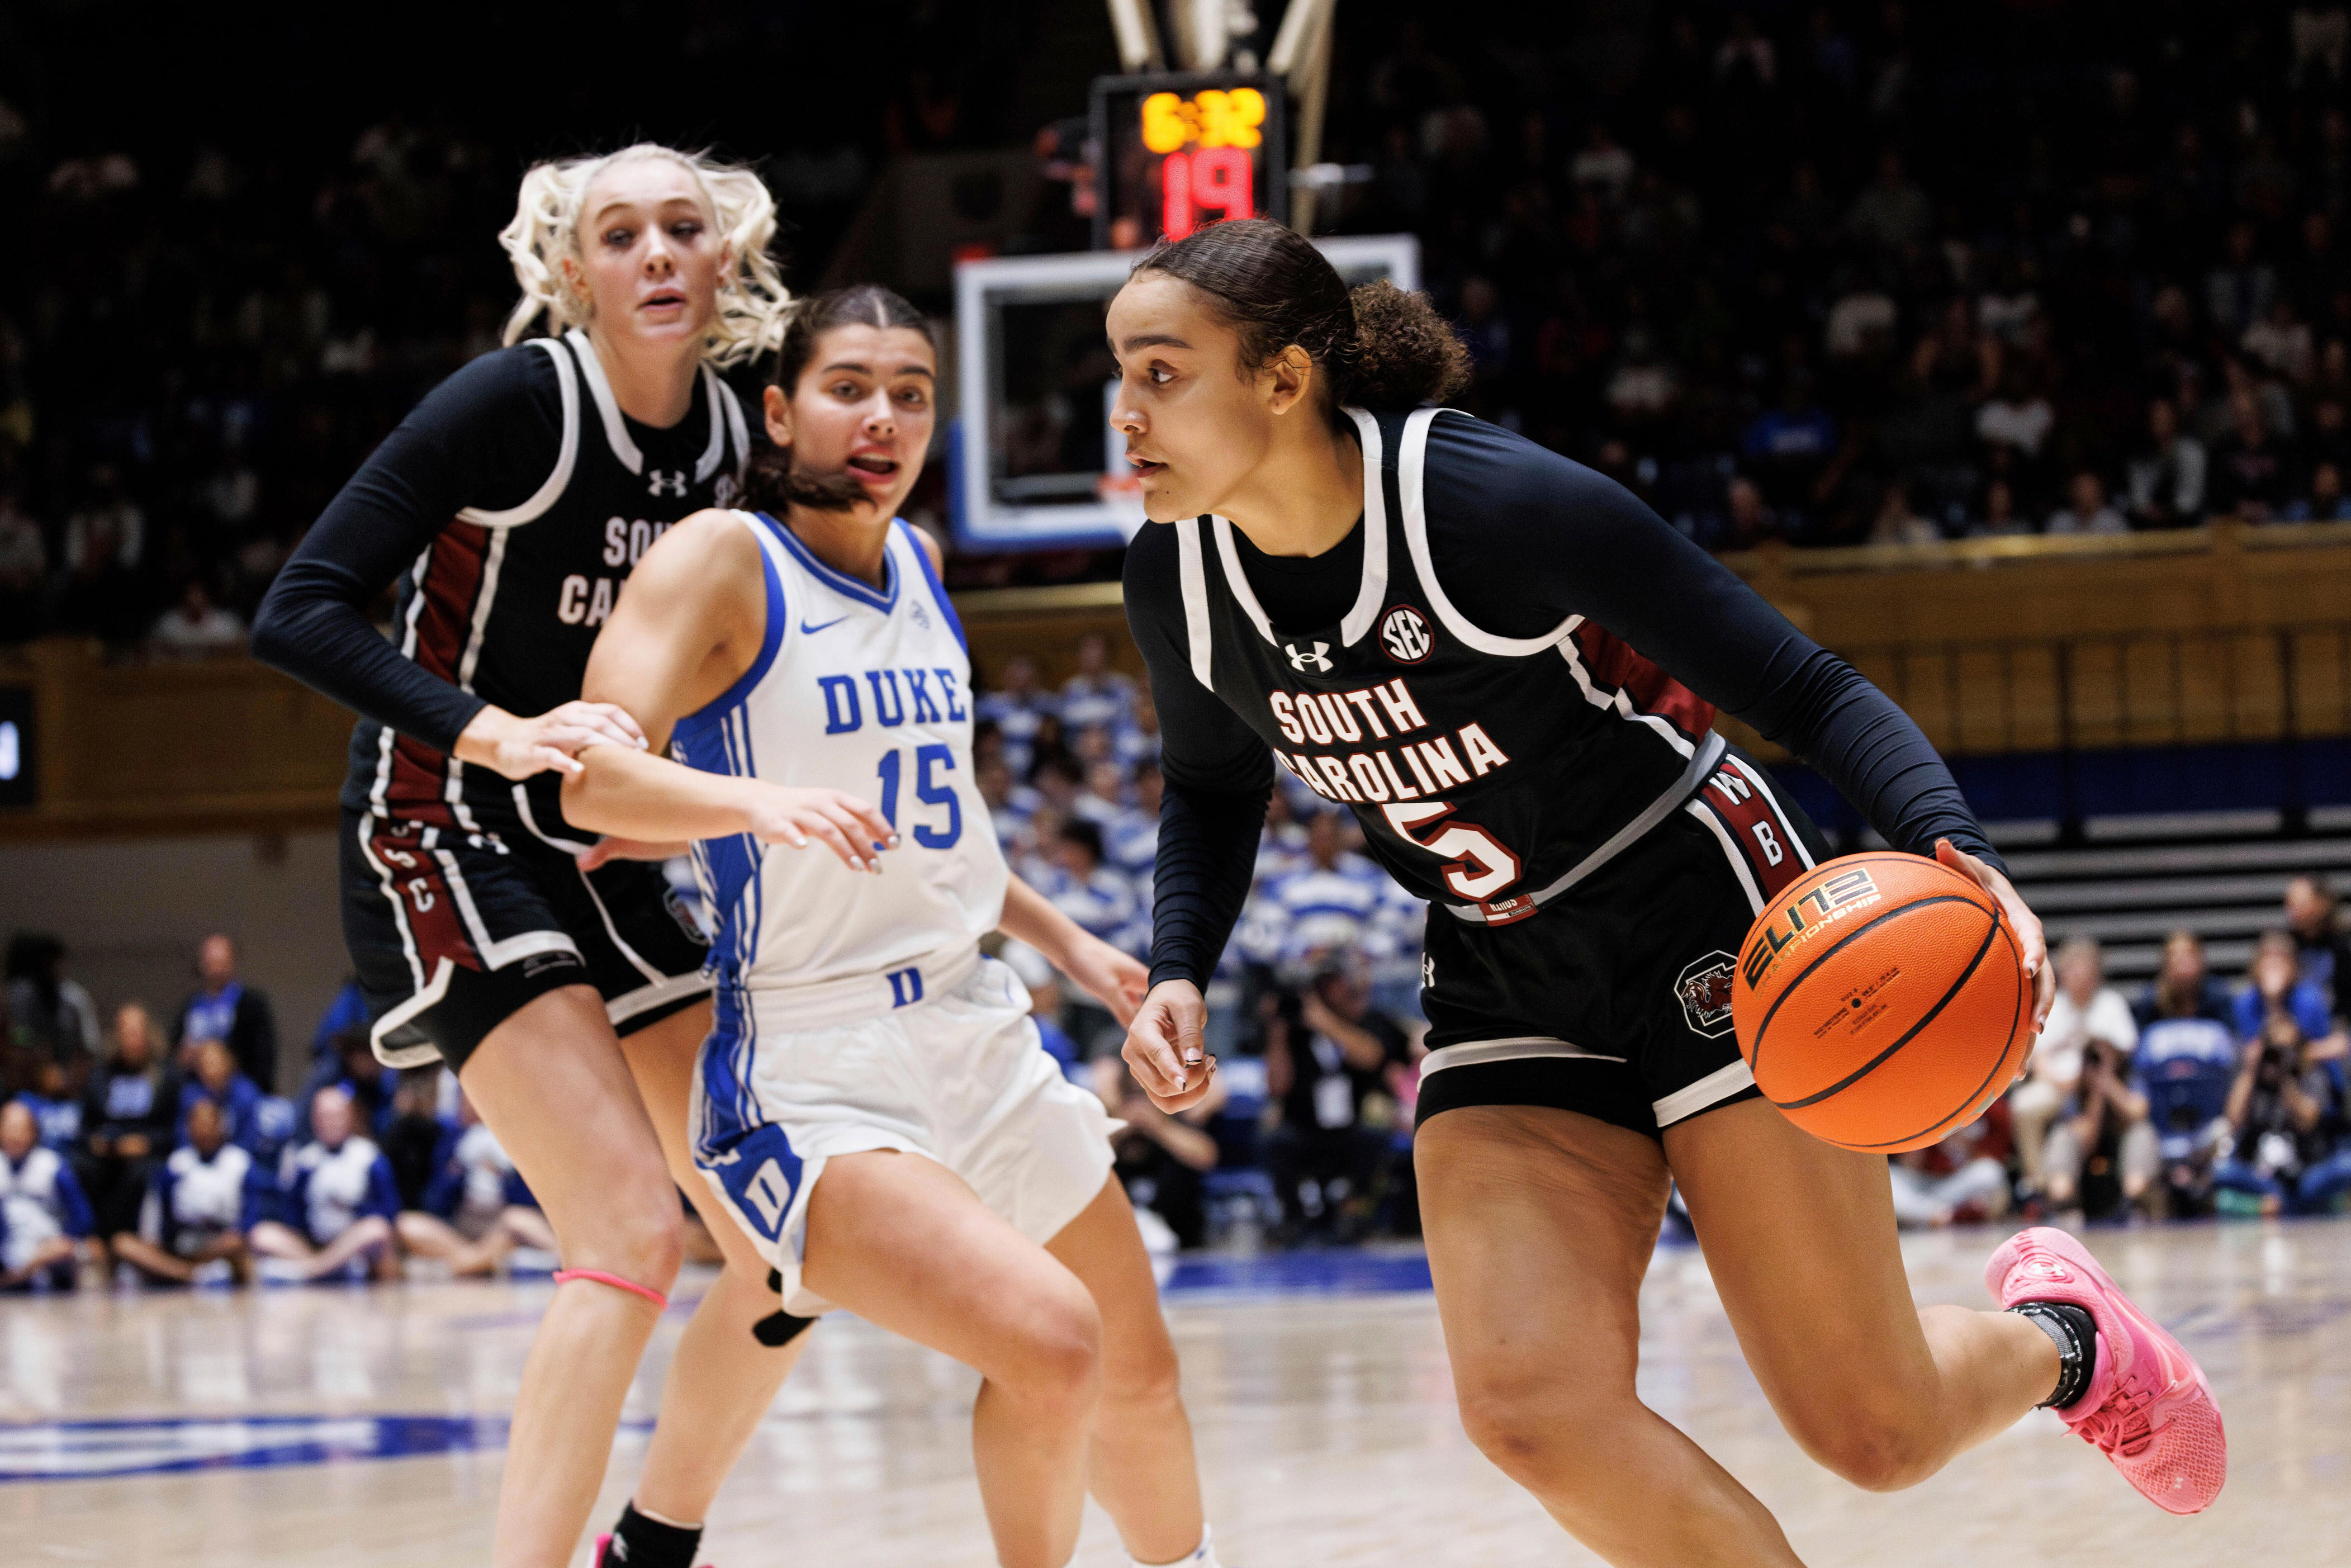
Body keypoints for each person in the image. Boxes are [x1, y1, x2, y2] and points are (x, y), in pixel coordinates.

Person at [1108, 220, 2224, 1561]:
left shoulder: (1488, 507)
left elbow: (1802, 685)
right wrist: (1179, 962)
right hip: (1497, 962)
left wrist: (1952, 844)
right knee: (1528, 1408)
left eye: (1159, 373)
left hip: (1707, 919)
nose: (1122, 413)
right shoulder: (1173, 574)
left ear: (1282, 380)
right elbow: (1215, 784)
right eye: (1118, 375)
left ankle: (2072, 1340)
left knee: (1873, 1430)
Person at [559, 283, 1228, 1568]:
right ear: (779, 408)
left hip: (971, 1020)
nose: (882, 417)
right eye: (848, 385)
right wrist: (754, 800)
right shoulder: (718, 558)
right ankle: (652, 1532)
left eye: (910, 394)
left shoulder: (920, 563)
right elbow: (591, 775)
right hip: (812, 1065)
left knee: (1135, 1373)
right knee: (1050, 1339)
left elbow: (940, 822)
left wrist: (1075, 948)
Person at [250, 144, 817, 1568]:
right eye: (618, 234)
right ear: (573, 271)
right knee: (628, 1220)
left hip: (602, 846)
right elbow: (300, 608)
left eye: (681, 228)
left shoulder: (728, 444)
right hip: (438, 827)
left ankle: (652, 1542)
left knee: (782, 1232)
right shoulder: (515, 405)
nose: (654, 255)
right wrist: (486, 728)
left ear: (723, 257)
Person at [1260, 956, 1408, 1244]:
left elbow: (1372, 1057)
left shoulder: (1364, 1020)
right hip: (1304, 1125)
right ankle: (1292, 1216)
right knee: (1273, 1140)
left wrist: (1323, 1021)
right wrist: (1277, 1030)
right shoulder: (1292, 1030)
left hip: (1350, 1127)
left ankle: (1354, 1213)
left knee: (1376, 1136)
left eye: (1336, 981)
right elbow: (1277, 1086)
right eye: (1325, 983)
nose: (1333, 990)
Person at [2013, 937, 2136, 1200]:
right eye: (2073, 969)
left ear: (2097, 973)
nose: (2080, 976)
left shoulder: (2111, 1004)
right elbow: (2038, 1058)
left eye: (2086, 969)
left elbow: (2126, 1048)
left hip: (2101, 1085)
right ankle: (2039, 1184)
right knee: (2024, 1105)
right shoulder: (2051, 1004)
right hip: (2059, 1085)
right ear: (2063, 972)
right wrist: (2063, 1084)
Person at [398, 1089, 560, 1275]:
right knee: (408, 1223)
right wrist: (458, 1170)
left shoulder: (517, 1140)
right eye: (467, 1099)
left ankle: (468, 1264)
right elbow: (435, 1202)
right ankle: (479, 1260)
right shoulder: (451, 1140)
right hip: (461, 1228)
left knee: (517, 1220)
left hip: (502, 1225)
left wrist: (503, 1175)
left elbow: (534, 1199)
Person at [248, 1085, 400, 1282]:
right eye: (324, 1117)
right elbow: (291, 1216)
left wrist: (353, 1208)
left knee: (376, 1229)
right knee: (262, 1234)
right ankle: (323, 1267)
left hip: (355, 1243)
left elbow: (389, 1211)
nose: (331, 1123)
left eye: (336, 1116)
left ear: (349, 1118)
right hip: (314, 1246)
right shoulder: (304, 1162)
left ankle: (312, 1272)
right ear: (315, 1121)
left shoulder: (369, 1157)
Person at [111, 1097, 259, 1286]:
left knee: (236, 1244)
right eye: (196, 1122)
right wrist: (157, 1243)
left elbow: (250, 1220)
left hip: (219, 1243)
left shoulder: (240, 1163)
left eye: (208, 1123)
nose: (203, 1129)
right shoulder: (176, 1165)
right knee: (122, 1244)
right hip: (181, 1247)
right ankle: (191, 1275)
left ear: (221, 1125)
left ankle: (181, 1274)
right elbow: (159, 1218)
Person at [2211, 1015, 2350, 1215]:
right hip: (2262, 1174)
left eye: (2288, 1048)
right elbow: (2234, 1118)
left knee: (2345, 1165)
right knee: (2223, 1171)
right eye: (2275, 1049)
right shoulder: (2252, 1080)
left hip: (2306, 1173)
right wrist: (2251, 1070)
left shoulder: (2312, 1075)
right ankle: (2286, 1204)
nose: (2280, 1055)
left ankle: (2276, 1205)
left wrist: (2285, 1078)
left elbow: (2307, 1120)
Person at [79, 1002, 178, 1238]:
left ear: (148, 1036)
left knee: (139, 1175)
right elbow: (85, 1126)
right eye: (125, 1033)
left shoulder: (167, 1076)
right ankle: (91, 1239)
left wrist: (147, 1143)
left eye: (136, 1033)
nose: (131, 1040)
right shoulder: (101, 1074)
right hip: (106, 1151)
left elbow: (174, 1128)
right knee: (80, 1167)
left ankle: (125, 1239)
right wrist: (95, 1142)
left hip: (148, 1151)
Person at [0, 1099, 94, 1290]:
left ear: (34, 1132)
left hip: (50, 1246)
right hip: (8, 1249)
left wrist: (64, 1239)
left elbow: (83, 1218)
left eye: (21, 1128)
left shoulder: (52, 1165)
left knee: (79, 1250)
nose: (15, 1135)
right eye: (9, 1128)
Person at [173, 932, 279, 1090]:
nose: (216, 969)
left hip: (239, 1086)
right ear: (202, 964)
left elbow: (263, 1055)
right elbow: (175, 1051)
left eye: (221, 962)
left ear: (232, 962)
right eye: (212, 962)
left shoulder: (252, 1004)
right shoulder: (190, 1005)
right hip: (196, 1088)